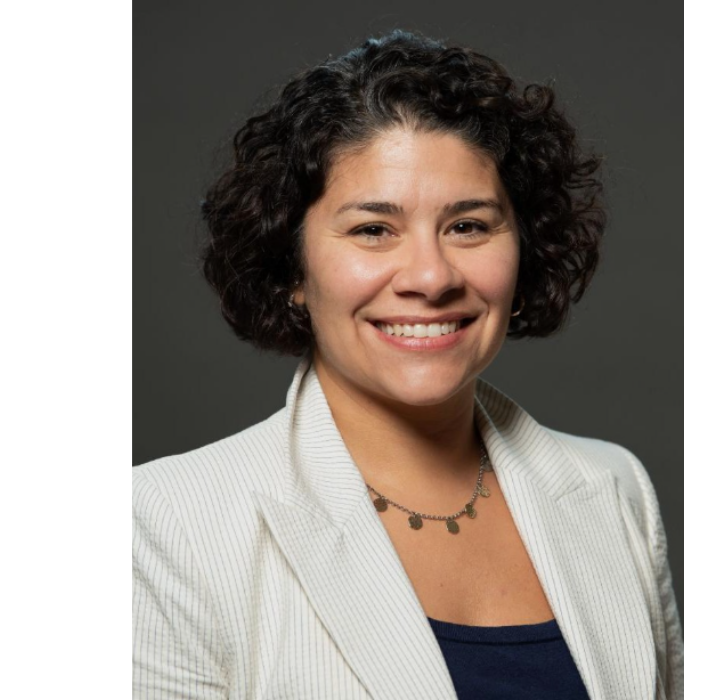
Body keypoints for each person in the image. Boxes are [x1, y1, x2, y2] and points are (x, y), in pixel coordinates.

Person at [133, 29, 683, 699]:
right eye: (373, 229)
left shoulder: (614, 488)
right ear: (292, 268)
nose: (430, 275)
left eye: (468, 225)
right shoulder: (163, 524)